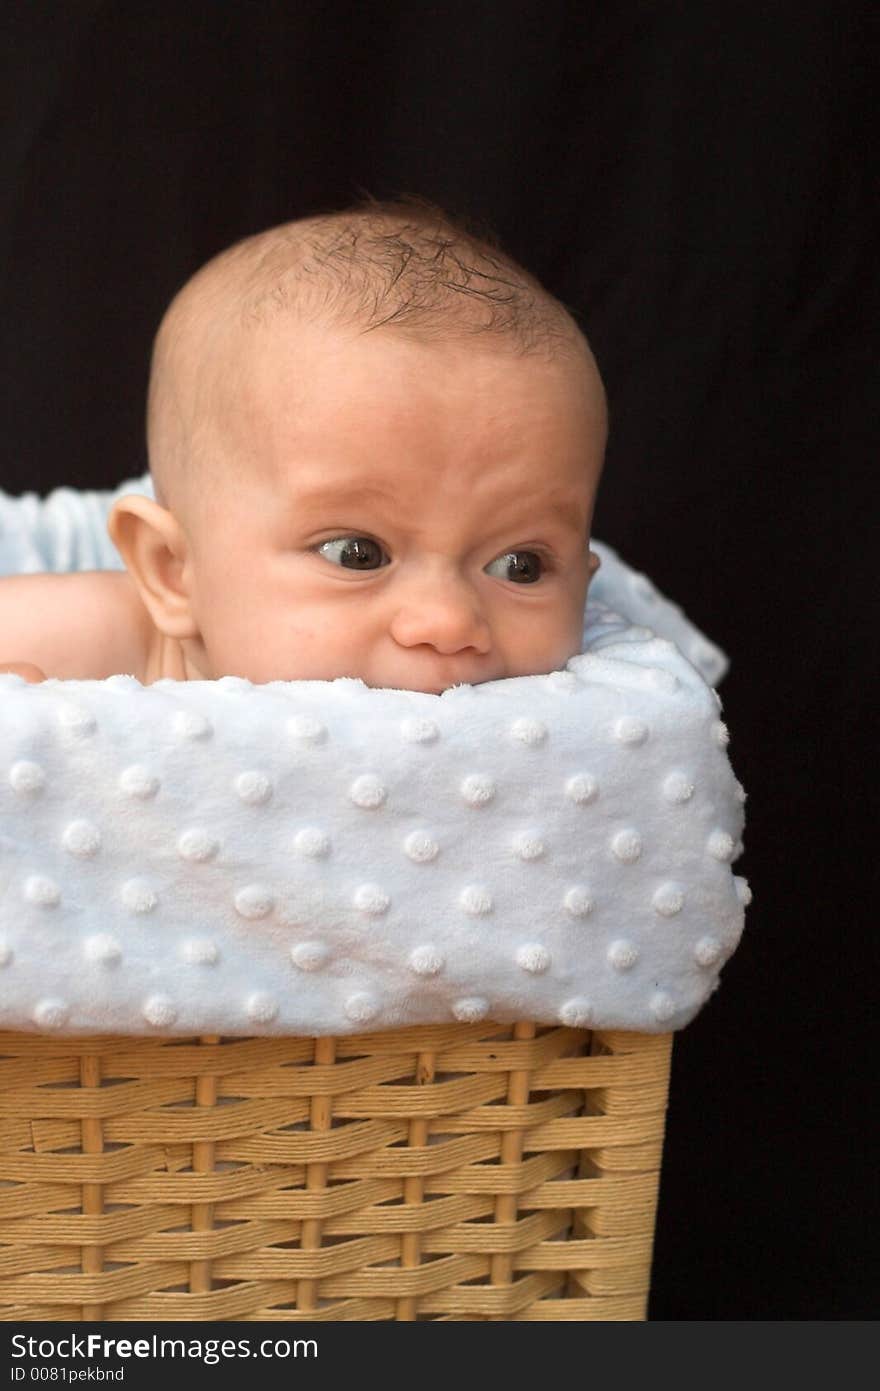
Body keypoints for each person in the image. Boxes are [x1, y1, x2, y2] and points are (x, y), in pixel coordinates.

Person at [0, 197, 606, 695]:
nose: (448, 624)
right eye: (357, 553)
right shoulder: (97, 635)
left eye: (521, 567)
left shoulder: (586, 720)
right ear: (173, 573)